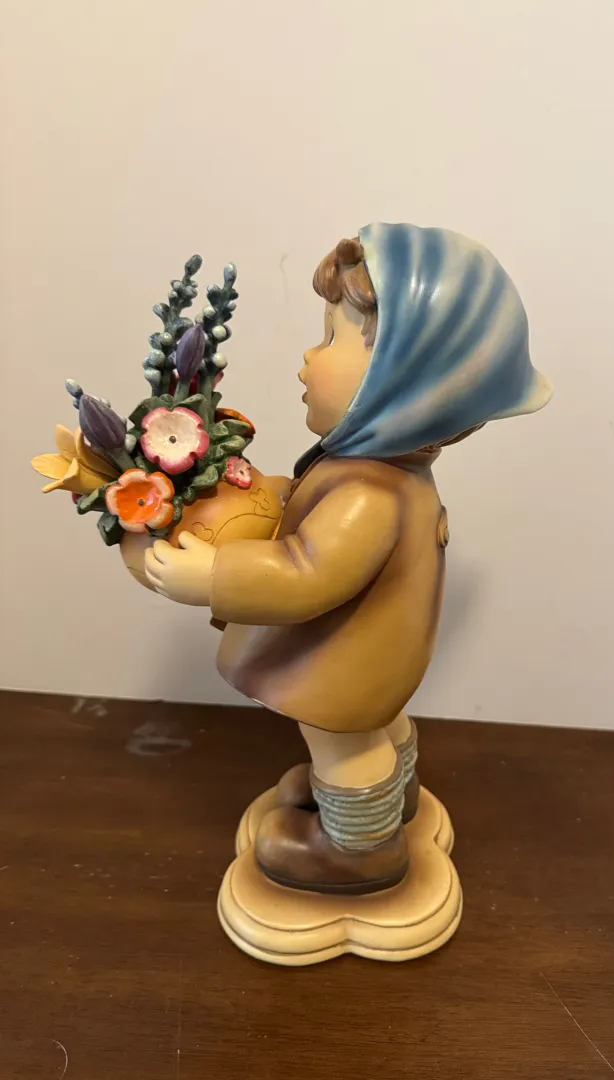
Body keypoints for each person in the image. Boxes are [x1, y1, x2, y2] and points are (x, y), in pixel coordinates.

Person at [145, 222, 552, 894]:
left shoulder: (369, 494)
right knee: (374, 726)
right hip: (373, 653)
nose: (307, 358)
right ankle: (392, 793)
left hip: (342, 663)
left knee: (342, 740)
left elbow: (308, 573)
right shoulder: (377, 472)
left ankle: (358, 848)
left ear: (404, 384)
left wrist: (213, 577)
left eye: (332, 338)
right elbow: (314, 513)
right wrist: (271, 493)